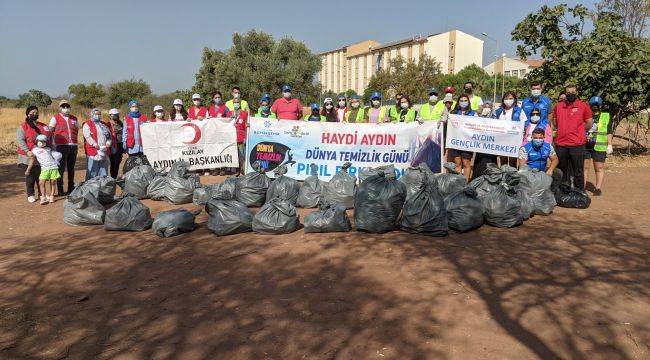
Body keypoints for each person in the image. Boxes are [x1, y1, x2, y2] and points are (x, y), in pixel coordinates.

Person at [551, 84, 593, 190]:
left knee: (578, 171)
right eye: (568, 93)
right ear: (565, 94)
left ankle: (579, 192)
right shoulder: (558, 106)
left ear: (577, 93)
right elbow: (555, 122)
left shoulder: (583, 106)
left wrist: (577, 130)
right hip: (561, 144)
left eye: (573, 93)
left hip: (577, 144)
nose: (570, 94)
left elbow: (589, 123)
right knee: (562, 170)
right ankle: (563, 192)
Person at [17, 105, 50, 202]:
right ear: (27, 114)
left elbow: (48, 137)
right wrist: (27, 151)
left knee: (41, 175)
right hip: (28, 156)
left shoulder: (43, 125)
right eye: (32, 113)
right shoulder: (23, 126)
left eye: (36, 112)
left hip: (41, 155)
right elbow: (20, 140)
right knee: (30, 176)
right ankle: (30, 194)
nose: (34, 114)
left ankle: (42, 193)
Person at [584, 96, 613, 195]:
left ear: (600, 105)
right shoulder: (585, 115)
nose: (595, 107)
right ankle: (583, 188)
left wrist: (610, 144)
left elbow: (609, 131)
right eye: (593, 105)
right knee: (585, 167)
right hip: (585, 145)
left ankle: (598, 188)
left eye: (597, 105)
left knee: (599, 168)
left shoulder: (606, 116)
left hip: (599, 146)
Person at [49, 99, 78, 195]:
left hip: (73, 146)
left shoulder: (74, 118)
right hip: (61, 146)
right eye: (63, 106)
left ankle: (71, 187)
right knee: (61, 168)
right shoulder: (55, 118)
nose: (65, 108)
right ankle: (60, 189)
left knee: (71, 168)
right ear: (60, 108)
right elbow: (50, 131)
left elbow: (76, 130)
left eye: (67, 106)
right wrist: (52, 145)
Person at [26, 134, 61, 205]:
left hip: (53, 167)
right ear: (36, 141)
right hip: (45, 169)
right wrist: (28, 170)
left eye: (43, 141)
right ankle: (43, 197)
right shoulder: (35, 150)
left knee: (53, 182)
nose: (41, 142)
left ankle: (52, 196)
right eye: (39, 141)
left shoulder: (49, 149)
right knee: (41, 183)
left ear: (45, 142)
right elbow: (32, 159)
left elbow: (56, 155)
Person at [449, 94, 477, 181]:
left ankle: (465, 183)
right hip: (455, 141)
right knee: (457, 163)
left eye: (465, 101)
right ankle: (458, 183)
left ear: (468, 102)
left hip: (467, 143)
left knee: (466, 163)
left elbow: (477, 126)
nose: (463, 102)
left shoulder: (473, 113)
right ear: (458, 102)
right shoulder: (453, 113)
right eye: (461, 101)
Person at [83, 108, 112, 180]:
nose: (98, 116)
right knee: (92, 170)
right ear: (92, 114)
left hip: (104, 150)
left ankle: (102, 186)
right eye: (96, 114)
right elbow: (87, 136)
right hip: (93, 151)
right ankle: (90, 187)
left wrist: (108, 143)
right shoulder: (87, 124)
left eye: (99, 114)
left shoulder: (103, 124)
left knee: (103, 170)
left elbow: (109, 136)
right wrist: (95, 144)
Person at [229, 97, 248, 175]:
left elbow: (247, 126)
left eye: (237, 102)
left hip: (241, 137)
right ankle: (237, 171)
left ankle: (243, 170)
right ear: (233, 104)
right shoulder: (230, 113)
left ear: (240, 104)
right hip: (232, 138)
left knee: (242, 155)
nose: (236, 104)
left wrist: (246, 137)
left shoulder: (244, 113)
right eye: (234, 103)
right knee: (234, 155)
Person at [107, 108, 123, 179]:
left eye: (117, 114)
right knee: (114, 162)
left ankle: (115, 176)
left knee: (118, 161)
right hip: (113, 145)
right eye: (114, 115)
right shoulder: (108, 124)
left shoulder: (120, 123)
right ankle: (113, 177)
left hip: (120, 144)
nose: (116, 116)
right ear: (110, 115)